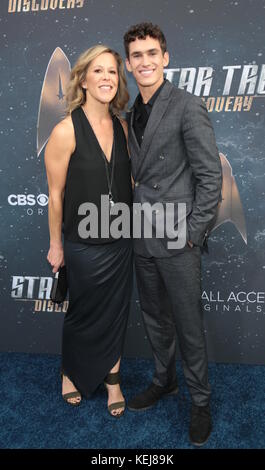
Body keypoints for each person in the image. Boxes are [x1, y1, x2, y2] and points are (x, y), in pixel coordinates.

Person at [123, 23, 222, 445]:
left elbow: (210, 177)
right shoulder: (129, 115)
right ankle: (165, 380)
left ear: (165, 58)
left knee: (187, 325)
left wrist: (192, 234)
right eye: (136, 56)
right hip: (142, 235)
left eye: (151, 53)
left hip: (178, 239)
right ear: (128, 65)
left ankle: (200, 401)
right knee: (155, 320)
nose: (144, 62)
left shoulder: (187, 105)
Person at [45, 45, 133, 417]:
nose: (106, 78)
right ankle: (71, 373)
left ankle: (113, 380)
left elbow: (128, 179)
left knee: (116, 312)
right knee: (82, 312)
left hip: (121, 240)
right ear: (82, 78)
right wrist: (56, 245)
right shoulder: (65, 130)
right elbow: (55, 194)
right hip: (81, 243)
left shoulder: (123, 125)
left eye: (112, 72)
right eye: (98, 71)